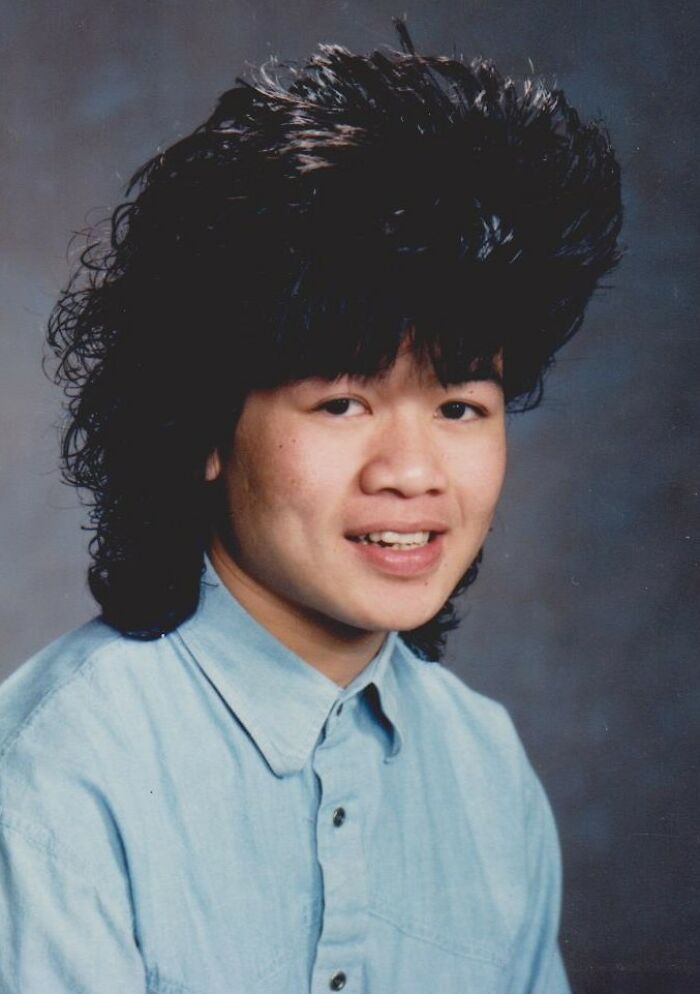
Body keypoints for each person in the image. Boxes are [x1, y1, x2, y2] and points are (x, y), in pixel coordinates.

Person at [0, 22, 622, 994]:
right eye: (342, 402)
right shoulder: (58, 768)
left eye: (460, 405)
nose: (412, 472)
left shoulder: (486, 766)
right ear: (202, 424)